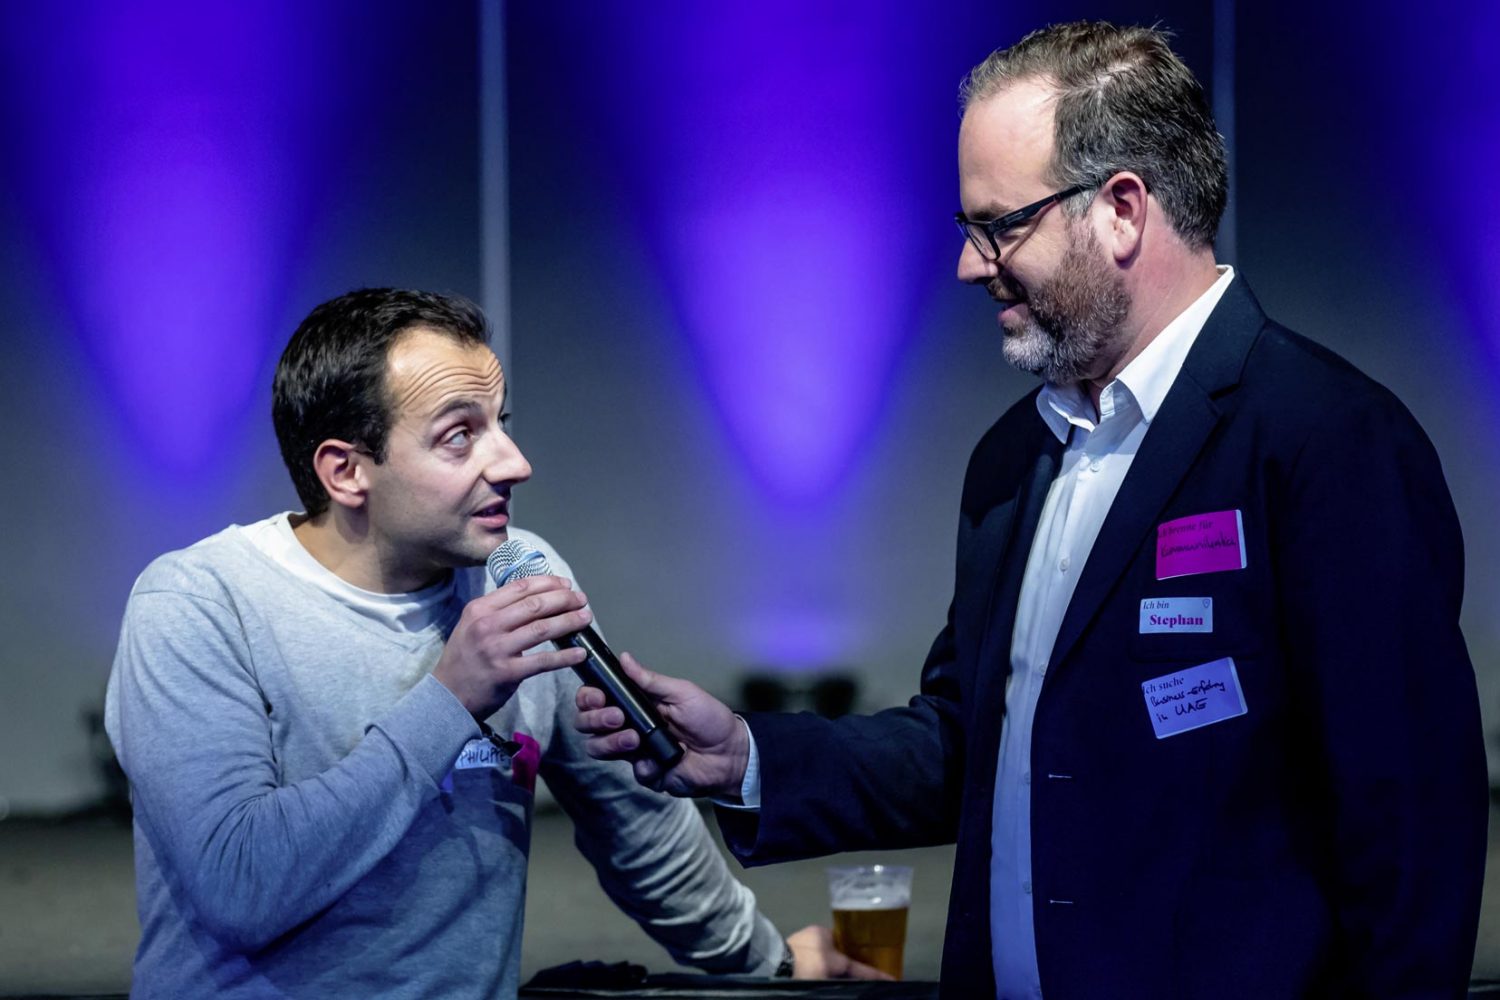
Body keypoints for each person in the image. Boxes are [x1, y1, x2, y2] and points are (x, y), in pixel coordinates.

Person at [576, 21, 1489, 999]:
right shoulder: (1014, 459)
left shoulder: (1326, 439)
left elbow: (1409, 826)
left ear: (1122, 210)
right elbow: (967, 743)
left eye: (1001, 224)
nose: (971, 266)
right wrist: (747, 756)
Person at [104, 288, 878, 998]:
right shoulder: (199, 603)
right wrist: (450, 701)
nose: (514, 463)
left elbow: (638, 824)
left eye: (501, 424)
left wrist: (769, 963)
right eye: (459, 436)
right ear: (345, 472)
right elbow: (240, 884)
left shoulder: (518, 578)